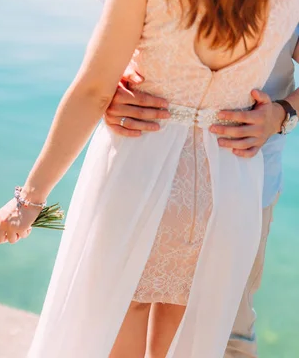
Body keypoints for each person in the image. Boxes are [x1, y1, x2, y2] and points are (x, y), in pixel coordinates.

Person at [0, 0, 299, 356]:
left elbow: (94, 89)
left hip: (138, 167)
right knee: (184, 338)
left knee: (114, 322)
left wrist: (28, 200)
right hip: (228, 183)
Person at [104, 26, 299, 358]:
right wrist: (115, 77)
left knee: (228, 332)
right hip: (154, 157)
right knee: (127, 303)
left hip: (245, 175)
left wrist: (283, 114)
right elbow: (128, 30)